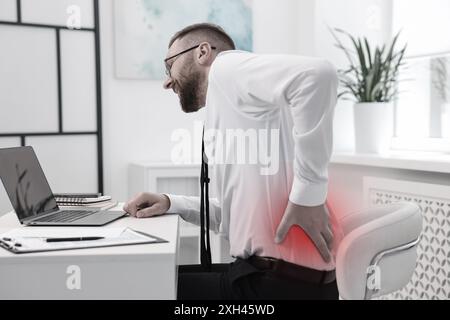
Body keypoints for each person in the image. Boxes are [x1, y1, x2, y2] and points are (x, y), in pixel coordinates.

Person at [123, 23, 343, 300]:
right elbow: (231, 219)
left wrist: (308, 197)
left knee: (135, 286)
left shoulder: (226, 69)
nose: (167, 81)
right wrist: (170, 202)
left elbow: (318, 75)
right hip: (277, 280)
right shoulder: (236, 108)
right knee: (151, 279)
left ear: (203, 52)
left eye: (169, 66)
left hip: (276, 286)